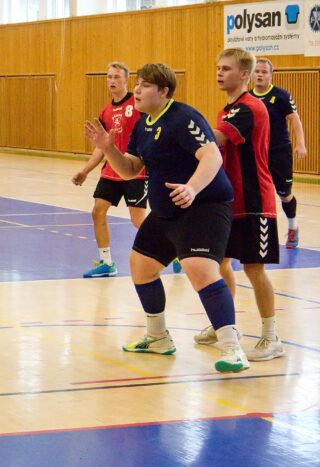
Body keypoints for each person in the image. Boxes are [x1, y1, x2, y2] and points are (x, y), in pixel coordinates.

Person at [84, 63, 249, 373]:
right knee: (141, 267)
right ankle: (158, 336)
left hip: (203, 207)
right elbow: (131, 170)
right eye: (137, 85)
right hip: (165, 211)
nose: (136, 90)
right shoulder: (143, 124)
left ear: (163, 91)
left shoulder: (183, 117)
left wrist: (192, 188)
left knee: (199, 270)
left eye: (144, 86)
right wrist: (108, 149)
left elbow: (211, 155)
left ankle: (233, 348)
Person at [194, 48, 283, 361]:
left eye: (227, 69)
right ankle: (225, 326)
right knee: (220, 264)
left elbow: (215, 139)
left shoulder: (249, 108)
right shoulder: (228, 108)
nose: (220, 73)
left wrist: (178, 130)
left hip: (255, 202)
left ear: (244, 74)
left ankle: (272, 337)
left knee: (254, 269)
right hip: (231, 201)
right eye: (218, 68)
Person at [72, 62, 147, 278]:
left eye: (116, 77)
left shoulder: (138, 104)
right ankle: (107, 263)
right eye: (109, 77)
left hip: (135, 170)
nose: (112, 81)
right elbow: (102, 148)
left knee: (138, 220)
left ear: (126, 80)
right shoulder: (105, 111)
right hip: (111, 171)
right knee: (97, 211)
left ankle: (168, 251)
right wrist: (85, 171)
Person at [251, 58, 308, 248]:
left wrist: (300, 143)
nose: (259, 74)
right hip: (256, 152)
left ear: (270, 75)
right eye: (256, 71)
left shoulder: (281, 95)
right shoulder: (247, 97)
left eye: (264, 72)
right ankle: (250, 234)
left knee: (284, 194)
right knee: (252, 193)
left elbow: (294, 119)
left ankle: (293, 227)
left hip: (279, 152)